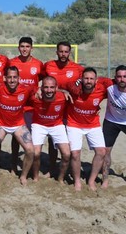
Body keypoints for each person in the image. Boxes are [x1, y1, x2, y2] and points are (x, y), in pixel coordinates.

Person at [43, 41, 84, 177]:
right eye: (61, 51)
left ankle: (69, 169)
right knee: (52, 140)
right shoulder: (48, 65)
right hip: (53, 108)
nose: (63, 54)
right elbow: (41, 83)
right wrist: (61, 90)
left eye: (66, 52)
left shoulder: (77, 69)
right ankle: (52, 168)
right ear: (56, 52)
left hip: (71, 110)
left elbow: (87, 85)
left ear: (69, 52)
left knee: (69, 140)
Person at [0, 66, 34, 186]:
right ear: (4, 78)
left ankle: (23, 176)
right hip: (0, 123)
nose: (12, 80)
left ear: (19, 78)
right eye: (9, 77)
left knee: (30, 150)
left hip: (18, 124)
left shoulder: (27, 89)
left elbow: (46, 91)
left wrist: (63, 91)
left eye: (15, 77)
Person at [66, 67, 111, 191]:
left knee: (101, 152)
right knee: (75, 154)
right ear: (81, 79)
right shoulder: (74, 89)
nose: (88, 81)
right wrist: (64, 90)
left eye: (91, 79)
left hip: (93, 125)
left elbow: (116, 89)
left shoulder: (101, 89)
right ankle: (77, 181)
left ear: (96, 80)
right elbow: (61, 86)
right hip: (74, 124)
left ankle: (91, 180)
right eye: (86, 78)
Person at [9, 36, 43, 174]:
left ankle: (29, 164)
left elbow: (42, 80)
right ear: (18, 48)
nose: (24, 49)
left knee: (32, 136)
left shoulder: (38, 64)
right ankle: (12, 163)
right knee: (16, 136)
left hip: (32, 106)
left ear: (31, 48)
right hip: (17, 105)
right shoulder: (12, 62)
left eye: (27, 46)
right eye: (22, 46)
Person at [30, 76, 71, 183]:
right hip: (39, 125)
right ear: (41, 88)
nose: (49, 90)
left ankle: (60, 178)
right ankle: (35, 177)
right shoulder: (35, 97)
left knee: (66, 154)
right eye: (46, 87)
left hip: (56, 125)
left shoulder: (63, 97)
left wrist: (97, 109)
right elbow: (23, 91)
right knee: (36, 153)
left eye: (52, 87)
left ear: (56, 88)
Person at [102, 65, 126, 188]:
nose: (122, 79)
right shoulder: (109, 86)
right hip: (111, 121)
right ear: (115, 78)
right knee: (105, 151)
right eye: (119, 76)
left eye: (125, 76)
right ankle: (105, 179)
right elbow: (93, 79)